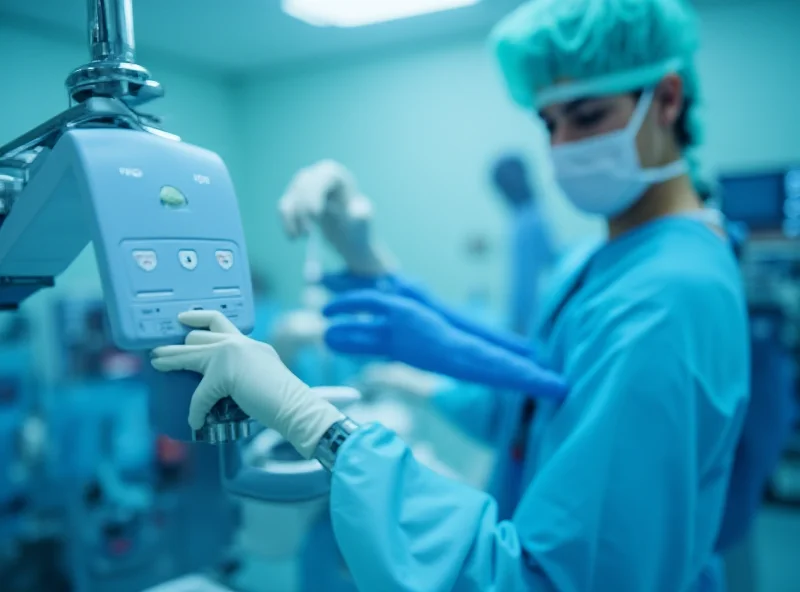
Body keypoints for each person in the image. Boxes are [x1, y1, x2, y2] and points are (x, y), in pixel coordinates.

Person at [150, 1, 751, 590]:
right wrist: (370, 265)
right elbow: (542, 414)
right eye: (549, 123)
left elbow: (547, 579)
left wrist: (317, 426)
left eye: (588, 117)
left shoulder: (667, 300)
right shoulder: (605, 256)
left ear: (667, 100)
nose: (563, 145)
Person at [491, 154, 557, 336]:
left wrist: (518, 324)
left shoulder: (529, 221)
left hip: (531, 321)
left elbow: (527, 282)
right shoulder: (527, 217)